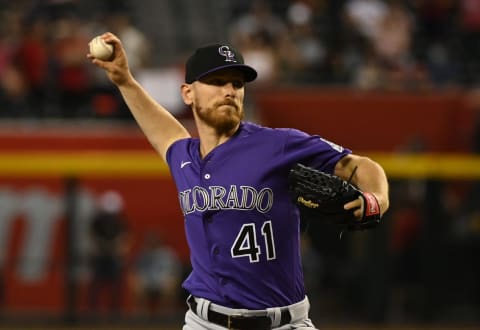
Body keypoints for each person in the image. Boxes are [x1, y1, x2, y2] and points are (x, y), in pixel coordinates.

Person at [88, 32, 389, 330]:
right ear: (188, 93)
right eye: (217, 82)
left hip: (281, 322)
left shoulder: (277, 144)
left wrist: (376, 200)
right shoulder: (184, 156)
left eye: (237, 83)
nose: (229, 91)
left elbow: (359, 166)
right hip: (203, 322)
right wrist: (125, 80)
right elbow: (164, 129)